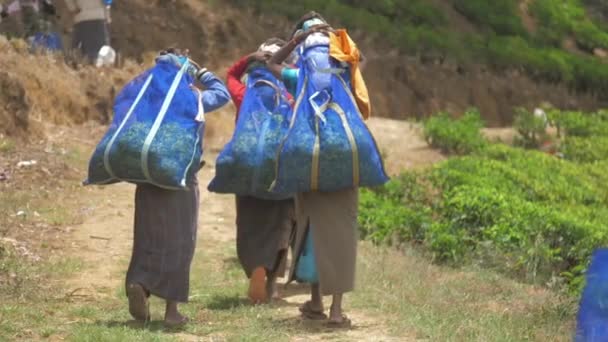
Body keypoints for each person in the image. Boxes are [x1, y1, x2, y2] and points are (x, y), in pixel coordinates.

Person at [267, 11, 365, 327]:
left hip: (309, 162)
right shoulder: (343, 72)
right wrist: (333, 33)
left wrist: (293, 40)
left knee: (310, 230)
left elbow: (271, 65)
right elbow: (355, 57)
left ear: (304, 46)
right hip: (344, 160)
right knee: (341, 232)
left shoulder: (300, 78)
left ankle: (314, 302)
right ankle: (336, 311)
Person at [125, 48, 230, 327]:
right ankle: (172, 312)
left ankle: (141, 283)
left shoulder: (146, 95)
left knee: (147, 235)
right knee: (181, 242)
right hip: (182, 179)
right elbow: (222, 92)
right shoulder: (193, 97)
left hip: (148, 177)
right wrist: (199, 70)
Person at [225, 38, 296, 304]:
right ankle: (273, 283)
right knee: (283, 221)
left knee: (249, 220)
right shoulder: (289, 96)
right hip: (279, 166)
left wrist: (249, 55)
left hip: (245, 165)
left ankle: (255, 268)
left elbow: (230, 74)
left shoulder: (244, 94)